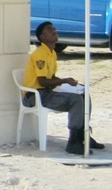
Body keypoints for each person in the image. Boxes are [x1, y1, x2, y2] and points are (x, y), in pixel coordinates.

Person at [24, 21, 106, 155]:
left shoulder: (52, 53)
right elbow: (43, 81)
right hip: (36, 95)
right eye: (49, 30)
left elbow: (52, 77)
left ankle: (83, 133)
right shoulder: (40, 54)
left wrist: (67, 83)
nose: (54, 31)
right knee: (75, 100)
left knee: (83, 92)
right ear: (42, 37)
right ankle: (73, 141)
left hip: (46, 91)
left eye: (54, 29)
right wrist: (64, 81)